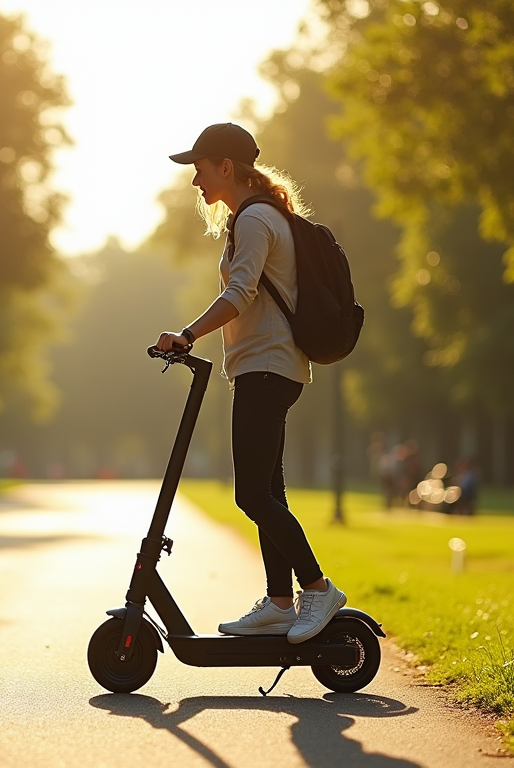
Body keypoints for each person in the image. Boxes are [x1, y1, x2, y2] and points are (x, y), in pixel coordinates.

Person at [155, 123, 346, 644]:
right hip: (264, 367)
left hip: (267, 367)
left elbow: (240, 294)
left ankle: (317, 588)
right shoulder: (259, 216)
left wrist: (188, 334)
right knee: (270, 491)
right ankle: (281, 601)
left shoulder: (257, 220)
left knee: (252, 496)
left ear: (225, 167)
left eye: (199, 168)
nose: (195, 181)